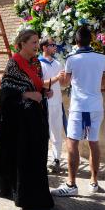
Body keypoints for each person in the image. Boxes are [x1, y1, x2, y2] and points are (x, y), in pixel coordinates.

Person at [0, 29, 54, 210]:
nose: (37, 46)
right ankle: (25, 197)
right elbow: (6, 94)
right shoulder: (13, 64)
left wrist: (44, 92)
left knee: (37, 157)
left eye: (37, 42)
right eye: (33, 42)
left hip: (36, 118)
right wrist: (28, 94)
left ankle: (37, 193)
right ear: (23, 43)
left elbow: (37, 87)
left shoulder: (36, 64)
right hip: (20, 123)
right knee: (24, 158)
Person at [51, 26, 105, 196]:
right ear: (91, 40)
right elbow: (103, 82)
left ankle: (71, 185)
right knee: (93, 142)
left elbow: (65, 83)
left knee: (72, 143)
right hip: (97, 105)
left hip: (80, 107)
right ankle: (94, 182)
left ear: (76, 42)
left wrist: (62, 76)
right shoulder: (102, 58)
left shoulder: (72, 59)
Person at [38, 37, 65, 173]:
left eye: (55, 45)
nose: (55, 47)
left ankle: (56, 159)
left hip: (57, 103)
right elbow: (41, 83)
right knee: (42, 133)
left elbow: (63, 83)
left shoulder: (58, 64)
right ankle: (41, 159)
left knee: (57, 131)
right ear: (44, 47)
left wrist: (65, 78)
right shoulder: (37, 63)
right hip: (43, 103)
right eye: (52, 45)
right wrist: (56, 78)